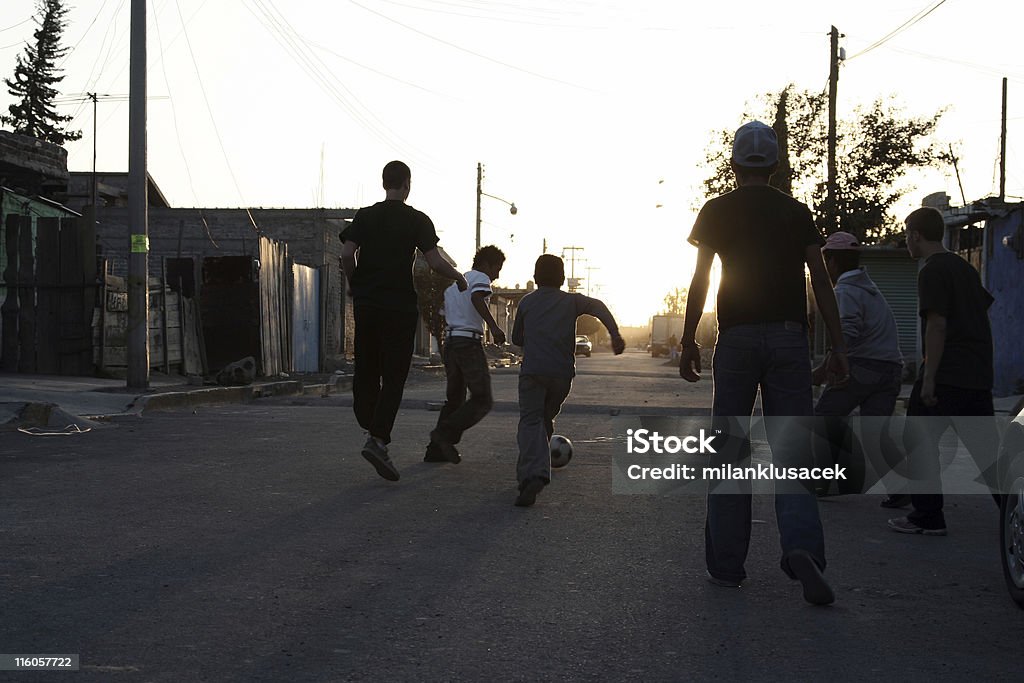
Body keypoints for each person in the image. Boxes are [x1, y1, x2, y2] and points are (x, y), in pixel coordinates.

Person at [679, 120, 849, 606]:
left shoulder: (716, 211)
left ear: (733, 164)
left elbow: (700, 281)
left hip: (735, 340)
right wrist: (838, 346)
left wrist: (690, 339)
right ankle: (803, 551)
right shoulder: (796, 212)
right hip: (791, 339)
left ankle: (728, 567)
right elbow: (820, 278)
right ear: (776, 166)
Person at [340, 160, 467, 482]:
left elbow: (345, 254)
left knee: (366, 368)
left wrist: (355, 284)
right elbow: (435, 260)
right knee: (394, 376)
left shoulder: (365, 216)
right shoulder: (416, 220)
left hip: (367, 305)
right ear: (407, 185)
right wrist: (459, 278)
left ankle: (368, 421)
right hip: (398, 306)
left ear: (384, 183)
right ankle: (377, 438)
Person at [887, 206, 1000, 536]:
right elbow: (980, 311)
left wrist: (929, 378)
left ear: (917, 235)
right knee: (988, 454)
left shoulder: (932, 270)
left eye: (907, 235)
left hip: (947, 373)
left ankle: (927, 516)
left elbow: (937, 324)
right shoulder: (965, 269)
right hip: (976, 374)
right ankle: (1016, 509)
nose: (907, 242)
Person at [510, 254, 625, 507]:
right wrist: (614, 334)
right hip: (562, 376)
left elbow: (517, 338)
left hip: (533, 373)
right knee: (544, 421)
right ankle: (534, 469)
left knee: (531, 421)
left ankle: (534, 475)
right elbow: (600, 307)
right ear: (562, 279)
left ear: (535, 277)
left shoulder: (527, 303)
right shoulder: (572, 301)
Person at [811, 231, 904, 498]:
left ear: (833, 263)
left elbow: (847, 332)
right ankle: (901, 489)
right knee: (876, 434)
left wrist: (824, 368)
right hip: (890, 369)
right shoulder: (869, 289)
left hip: (862, 367)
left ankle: (823, 482)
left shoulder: (845, 290)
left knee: (825, 418)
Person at [425, 245, 507, 464]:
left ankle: (434, 450)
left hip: (451, 343)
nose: (497, 275)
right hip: (468, 343)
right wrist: (495, 328)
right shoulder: (479, 278)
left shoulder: (454, 284)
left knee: (455, 399)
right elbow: (477, 298)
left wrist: (443, 344)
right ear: (486, 264)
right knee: (482, 399)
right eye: (497, 268)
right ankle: (444, 434)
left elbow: (441, 313)